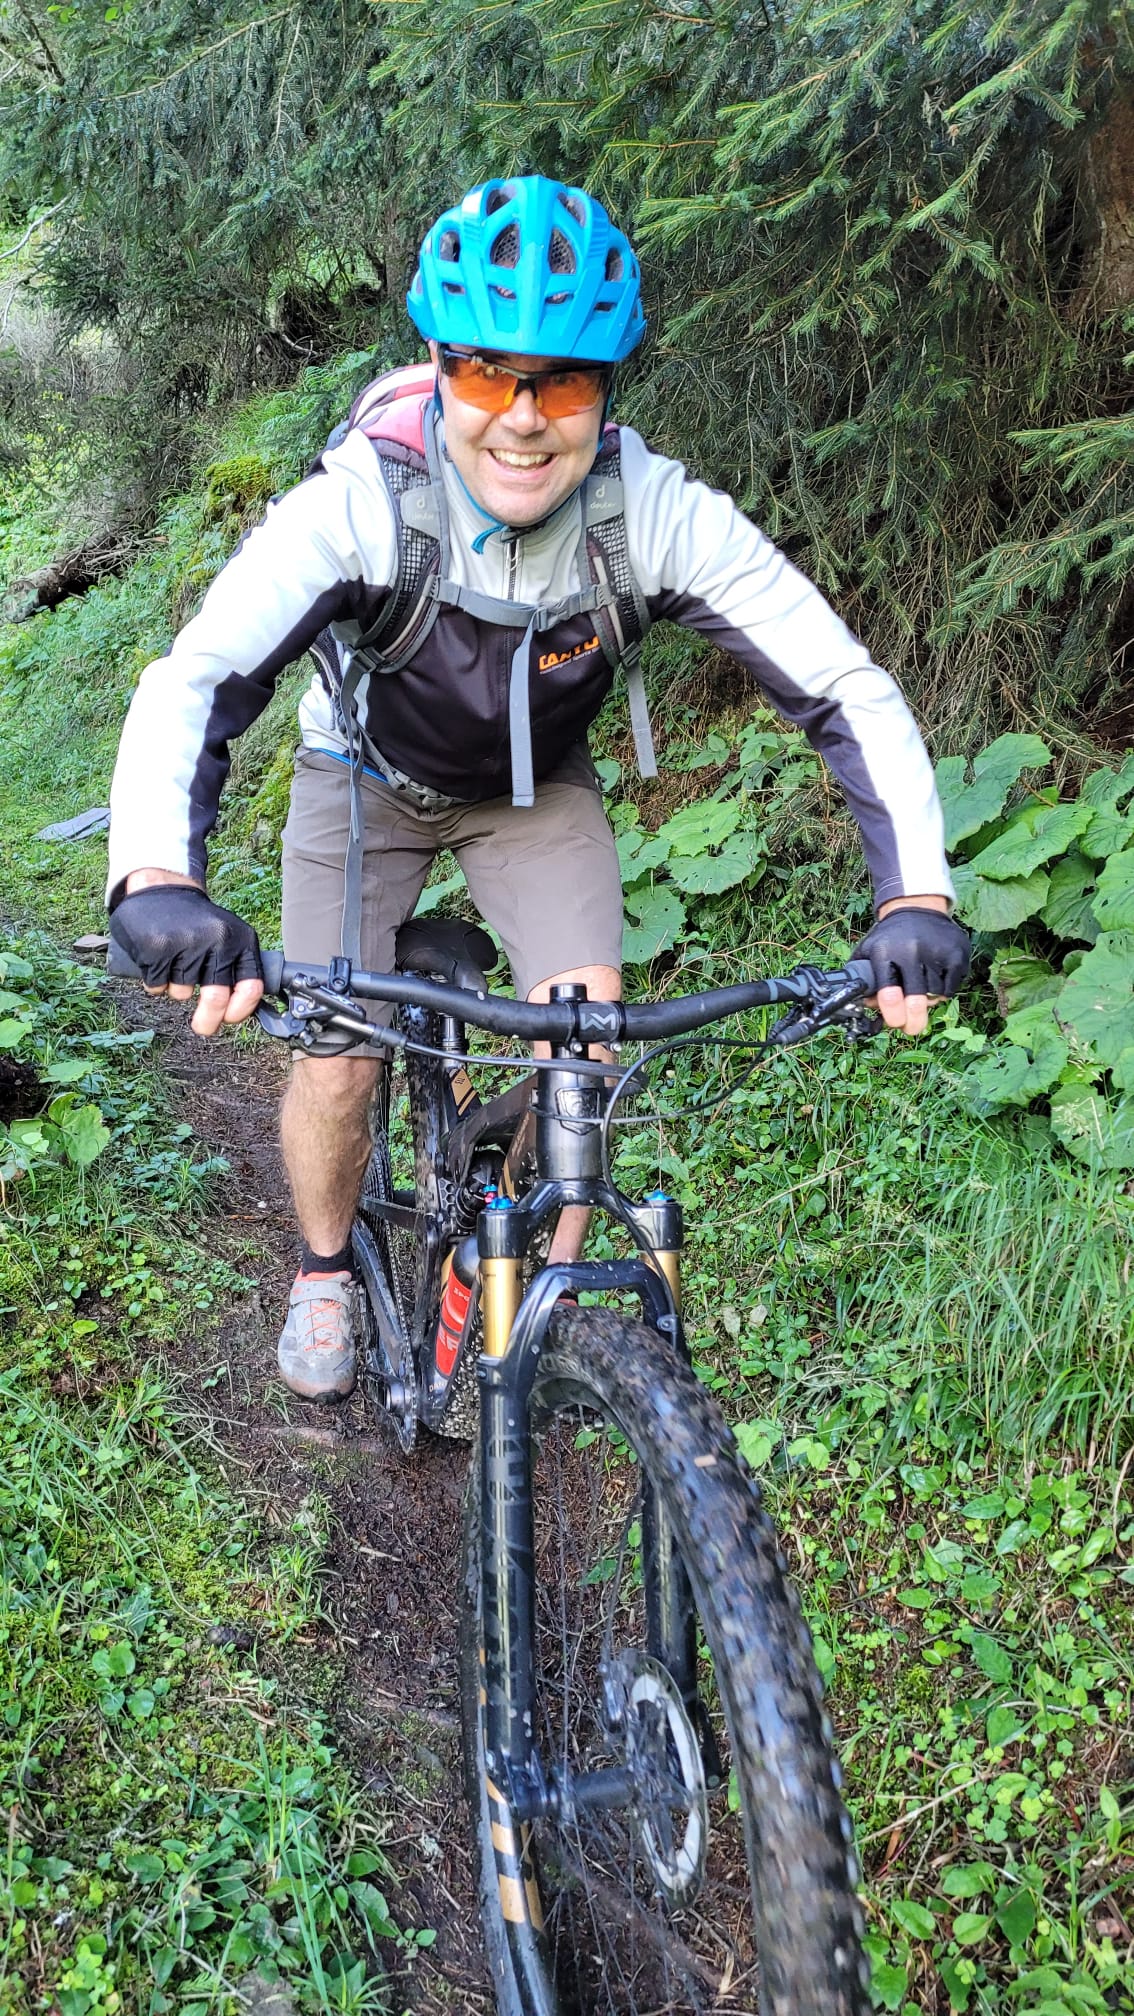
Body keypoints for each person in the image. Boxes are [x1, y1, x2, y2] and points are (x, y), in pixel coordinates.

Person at [106, 174, 969, 1403]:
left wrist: (915, 897)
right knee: (340, 1059)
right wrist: (156, 873)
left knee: (587, 1049)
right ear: (437, 371)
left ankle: (543, 1325)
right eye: (485, 375)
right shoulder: (362, 503)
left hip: (532, 790)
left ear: (605, 391)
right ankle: (322, 1271)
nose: (521, 418)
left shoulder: (651, 513)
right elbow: (197, 677)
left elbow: (842, 685)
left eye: (562, 384)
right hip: (360, 775)